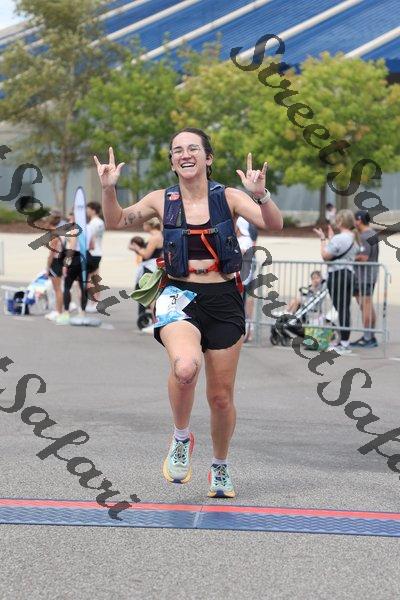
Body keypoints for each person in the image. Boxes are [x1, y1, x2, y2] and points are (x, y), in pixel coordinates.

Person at [94, 128, 283, 498]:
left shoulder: (228, 197)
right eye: (177, 150)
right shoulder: (160, 199)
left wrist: (261, 195)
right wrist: (108, 189)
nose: (185, 154)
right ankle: (181, 437)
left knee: (220, 397)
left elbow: (273, 223)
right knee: (185, 368)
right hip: (178, 293)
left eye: (193, 148)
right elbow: (117, 220)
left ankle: (220, 466)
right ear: (172, 161)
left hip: (224, 297)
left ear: (207, 158)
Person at [313, 209, 358, 355]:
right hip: (349, 274)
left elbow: (325, 256)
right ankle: (344, 341)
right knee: (344, 308)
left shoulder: (340, 238)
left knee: (341, 308)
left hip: (338, 274)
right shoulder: (354, 237)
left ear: (340, 221)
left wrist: (323, 240)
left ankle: (344, 343)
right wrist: (331, 239)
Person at [350, 210, 379, 348]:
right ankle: (370, 336)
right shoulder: (372, 233)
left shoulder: (366, 235)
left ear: (359, 220)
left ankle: (368, 338)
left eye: (355, 220)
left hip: (364, 276)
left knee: (366, 305)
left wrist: (349, 257)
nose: (353, 222)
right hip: (368, 275)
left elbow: (364, 257)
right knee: (366, 305)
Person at [235, 216, 256, 342]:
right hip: (239, 276)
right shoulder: (238, 239)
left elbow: (242, 252)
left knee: (245, 303)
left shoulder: (246, 239)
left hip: (244, 277)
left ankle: (248, 331)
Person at [44, 214, 65, 321]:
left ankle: (58, 311)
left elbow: (51, 254)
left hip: (55, 262)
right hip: (59, 260)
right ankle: (58, 310)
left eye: (45, 222)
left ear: (49, 223)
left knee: (57, 289)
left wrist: (47, 267)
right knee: (57, 288)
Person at [86, 202, 105, 312]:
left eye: (88, 209)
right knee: (95, 278)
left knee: (88, 279)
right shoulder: (100, 222)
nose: (87, 211)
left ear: (93, 210)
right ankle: (96, 302)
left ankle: (93, 302)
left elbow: (90, 238)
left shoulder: (93, 223)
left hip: (92, 253)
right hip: (98, 252)